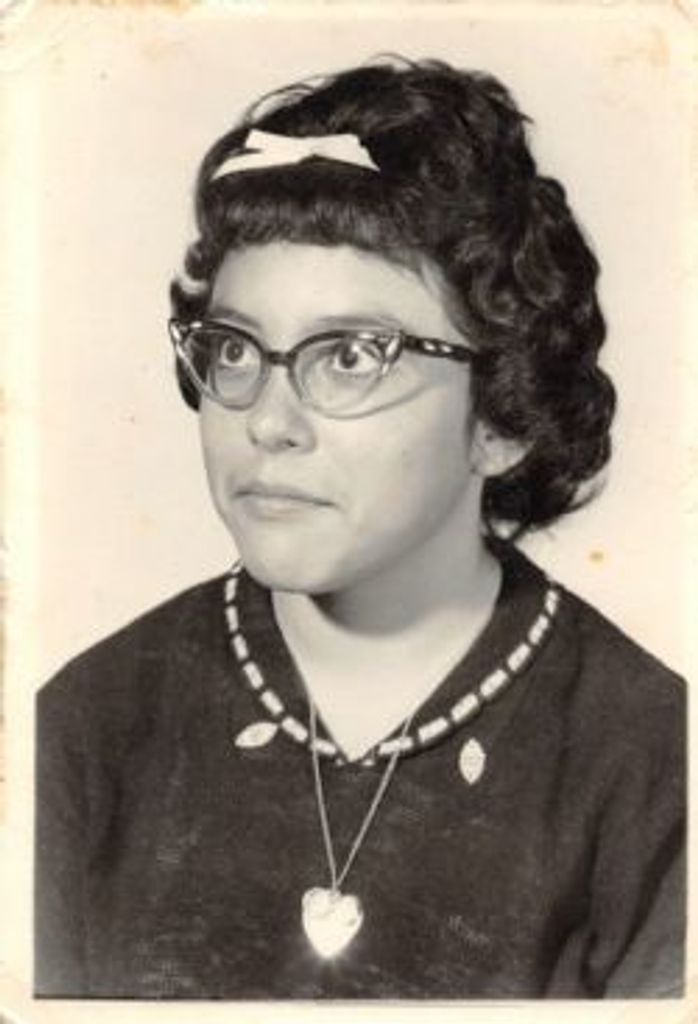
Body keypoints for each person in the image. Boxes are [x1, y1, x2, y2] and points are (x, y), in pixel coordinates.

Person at [35, 56, 685, 1000]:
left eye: (350, 356)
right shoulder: (84, 726)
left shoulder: (653, 759)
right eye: (235, 349)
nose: (268, 421)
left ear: (502, 416)